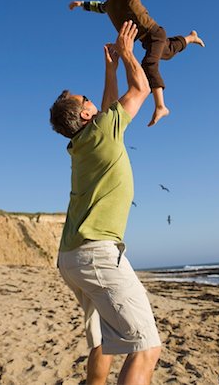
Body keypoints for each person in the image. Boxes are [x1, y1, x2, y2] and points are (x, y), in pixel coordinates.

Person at [50, 20, 161, 385]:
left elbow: (109, 108)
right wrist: (128, 54)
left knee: (101, 342)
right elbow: (141, 88)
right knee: (145, 348)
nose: (93, 102)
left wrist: (109, 69)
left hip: (71, 257)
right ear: (85, 114)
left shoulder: (81, 143)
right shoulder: (101, 130)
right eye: (87, 100)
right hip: (97, 253)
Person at [69, 0, 205, 126]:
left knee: (149, 64)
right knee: (168, 52)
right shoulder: (109, 3)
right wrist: (81, 3)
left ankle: (161, 106)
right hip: (145, 39)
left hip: (154, 32)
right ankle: (190, 37)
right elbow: (99, 7)